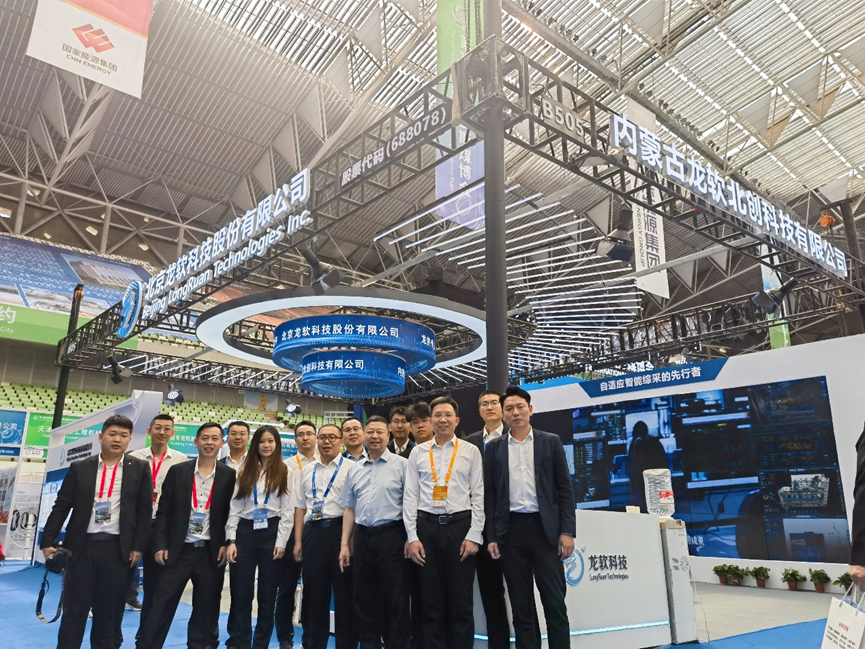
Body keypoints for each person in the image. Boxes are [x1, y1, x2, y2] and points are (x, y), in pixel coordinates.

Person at [41, 415, 152, 649]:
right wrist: (47, 540)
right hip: (81, 549)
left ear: (129, 440)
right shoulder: (80, 467)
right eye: (112, 434)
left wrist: (138, 546)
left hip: (118, 550)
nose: (117, 439)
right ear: (101, 437)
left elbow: (144, 511)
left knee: (108, 614)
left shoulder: (140, 468)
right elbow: (62, 506)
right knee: (74, 612)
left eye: (123, 435)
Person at [485, 386, 576, 649]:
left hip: (545, 531)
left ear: (530, 410)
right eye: (509, 409)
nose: (515, 413)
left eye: (520, 407)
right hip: (511, 532)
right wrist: (492, 536)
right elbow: (490, 496)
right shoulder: (494, 448)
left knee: (554, 603)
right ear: (503, 414)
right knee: (521, 607)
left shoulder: (550, 442)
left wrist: (567, 531)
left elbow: (564, 489)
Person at [137, 423, 236, 649]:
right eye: (205, 438)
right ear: (196, 442)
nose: (209, 442)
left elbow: (230, 513)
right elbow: (164, 511)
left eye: (215, 438)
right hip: (177, 551)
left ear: (222, 443)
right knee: (160, 607)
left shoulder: (229, 475)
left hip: (211, 553)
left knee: (206, 611)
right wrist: (160, 544)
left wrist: (226, 542)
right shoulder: (179, 471)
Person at [404, 396, 484, 649]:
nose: (442, 419)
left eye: (448, 415)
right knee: (431, 602)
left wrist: (474, 535)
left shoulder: (470, 451)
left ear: (456, 420)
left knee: (461, 603)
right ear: (431, 420)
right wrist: (412, 537)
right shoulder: (418, 453)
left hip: (460, 528)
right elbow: (410, 496)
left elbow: (479, 495)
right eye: (437, 415)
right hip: (426, 529)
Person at [338, 416, 409, 648]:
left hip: (392, 537)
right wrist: (345, 544)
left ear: (389, 436)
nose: (375, 437)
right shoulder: (354, 469)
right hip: (363, 537)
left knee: (396, 600)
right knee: (364, 599)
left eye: (380, 432)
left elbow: (410, 505)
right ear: (364, 436)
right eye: (370, 432)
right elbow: (349, 508)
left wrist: (411, 537)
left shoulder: (402, 465)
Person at [225, 425, 293, 649]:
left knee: (267, 595)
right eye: (262, 441)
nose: (266, 445)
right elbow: (234, 507)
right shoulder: (243, 469)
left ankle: (260, 644)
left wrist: (281, 542)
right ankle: (240, 643)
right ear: (255, 444)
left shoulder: (285, 471)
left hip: (272, 532)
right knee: (241, 592)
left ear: (277, 444)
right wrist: (231, 540)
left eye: (270, 441)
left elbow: (288, 511)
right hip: (245, 531)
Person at [293, 423, 357, 649]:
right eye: (322, 437)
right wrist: (298, 541)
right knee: (314, 593)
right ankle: (313, 643)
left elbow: (354, 508)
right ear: (317, 441)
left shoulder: (352, 468)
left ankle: (346, 645)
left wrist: (348, 542)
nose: (327, 441)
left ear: (341, 441)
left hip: (341, 532)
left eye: (332, 437)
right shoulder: (306, 470)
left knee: (344, 594)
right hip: (313, 534)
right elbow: (300, 507)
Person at [127, 414, 186, 621]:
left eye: (167, 429)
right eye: (158, 428)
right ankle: (115, 601)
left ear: (173, 433)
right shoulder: (134, 457)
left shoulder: (181, 460)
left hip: (160, 526)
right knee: (122, 570)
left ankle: (149, 624)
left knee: (157, 578)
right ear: (149, 431)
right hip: (135, 524)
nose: (162, 432)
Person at [464, 390, 510, 649]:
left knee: (519, 595)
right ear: (479, 411)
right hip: (477, 527)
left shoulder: (516, 436)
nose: (490, 407)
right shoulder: (469, 443)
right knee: (490, 594)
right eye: (485, 404)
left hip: (510, 526)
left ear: (502, 408)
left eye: (494, 403)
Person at [275, 420, 318, 649]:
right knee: (286, 587)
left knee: (313, 587)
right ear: (295, 439)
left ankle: (309, 637)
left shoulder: (325, 463)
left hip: (315, 530)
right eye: (300, 434)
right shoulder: (285, 466)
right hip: (290, 530)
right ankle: (285, 637)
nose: (305, 438)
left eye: (309, 433)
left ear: (316, 437)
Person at [406, 400, 433, 649]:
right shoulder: (405, 455)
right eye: (415, 422)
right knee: (416, 591)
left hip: (440, 527)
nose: (420, 425)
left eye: (424, 420)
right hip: (411, 532)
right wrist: (410, 533)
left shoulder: (457, 450)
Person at [626, 420, 669, 511]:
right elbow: (663, 459)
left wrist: (632, 478)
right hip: (658, 476)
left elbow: (632, 462)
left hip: (642, 478)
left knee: (646, 502)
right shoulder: (655, 441)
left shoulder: (635, 443)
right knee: (660, 503)